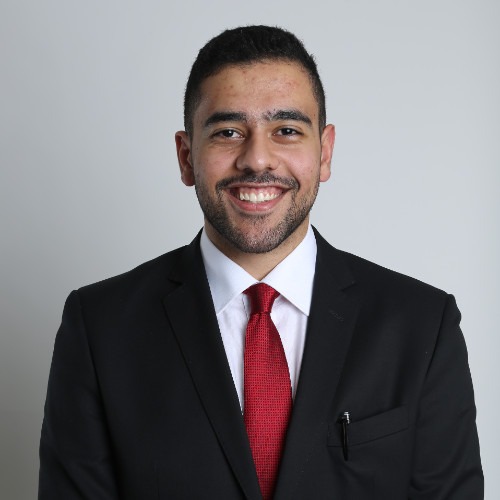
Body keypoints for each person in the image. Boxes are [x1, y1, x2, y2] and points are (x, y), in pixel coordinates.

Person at [38, 25, 483, 499]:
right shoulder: (99, 328)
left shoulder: (422, 325)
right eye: (228, 132)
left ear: (325, 152)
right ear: (186, 157)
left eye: (286, 131)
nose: (257, 159)